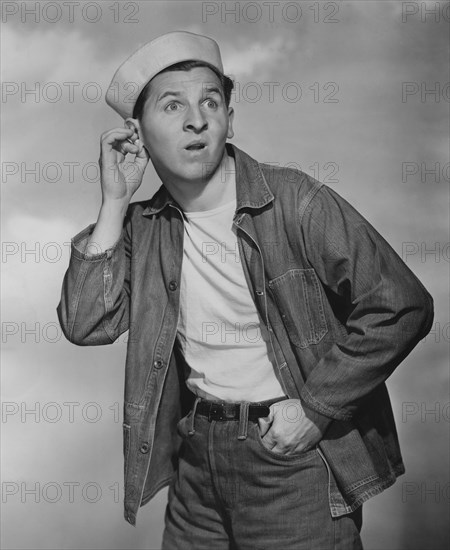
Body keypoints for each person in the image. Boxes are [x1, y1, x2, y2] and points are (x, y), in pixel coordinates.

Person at [57, 31, 434, 549]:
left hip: (290, 460)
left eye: (211, 102)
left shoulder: (296, 200)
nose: (197, 119)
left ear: (229, 120)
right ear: (137, 133)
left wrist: (315, 408)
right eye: (173, 105)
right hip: (196, 463)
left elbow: (402, 304)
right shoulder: (145, 227)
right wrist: (113, 205)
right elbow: (85, 323)